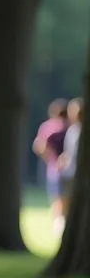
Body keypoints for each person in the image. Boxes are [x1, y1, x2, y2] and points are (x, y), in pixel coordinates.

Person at [33, 99, 70, 237]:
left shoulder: (48, 127)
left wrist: (50, 159)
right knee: (66, 199)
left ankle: (59, 226)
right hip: (70, 169)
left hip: (55, 170)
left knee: (57, 199)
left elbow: (39, 146)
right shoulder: (71, 128)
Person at [58, 97, 82, 230]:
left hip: (77, 174)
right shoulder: (72, 130)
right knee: (65, 200)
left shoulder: (80, 131)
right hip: (69, 172)